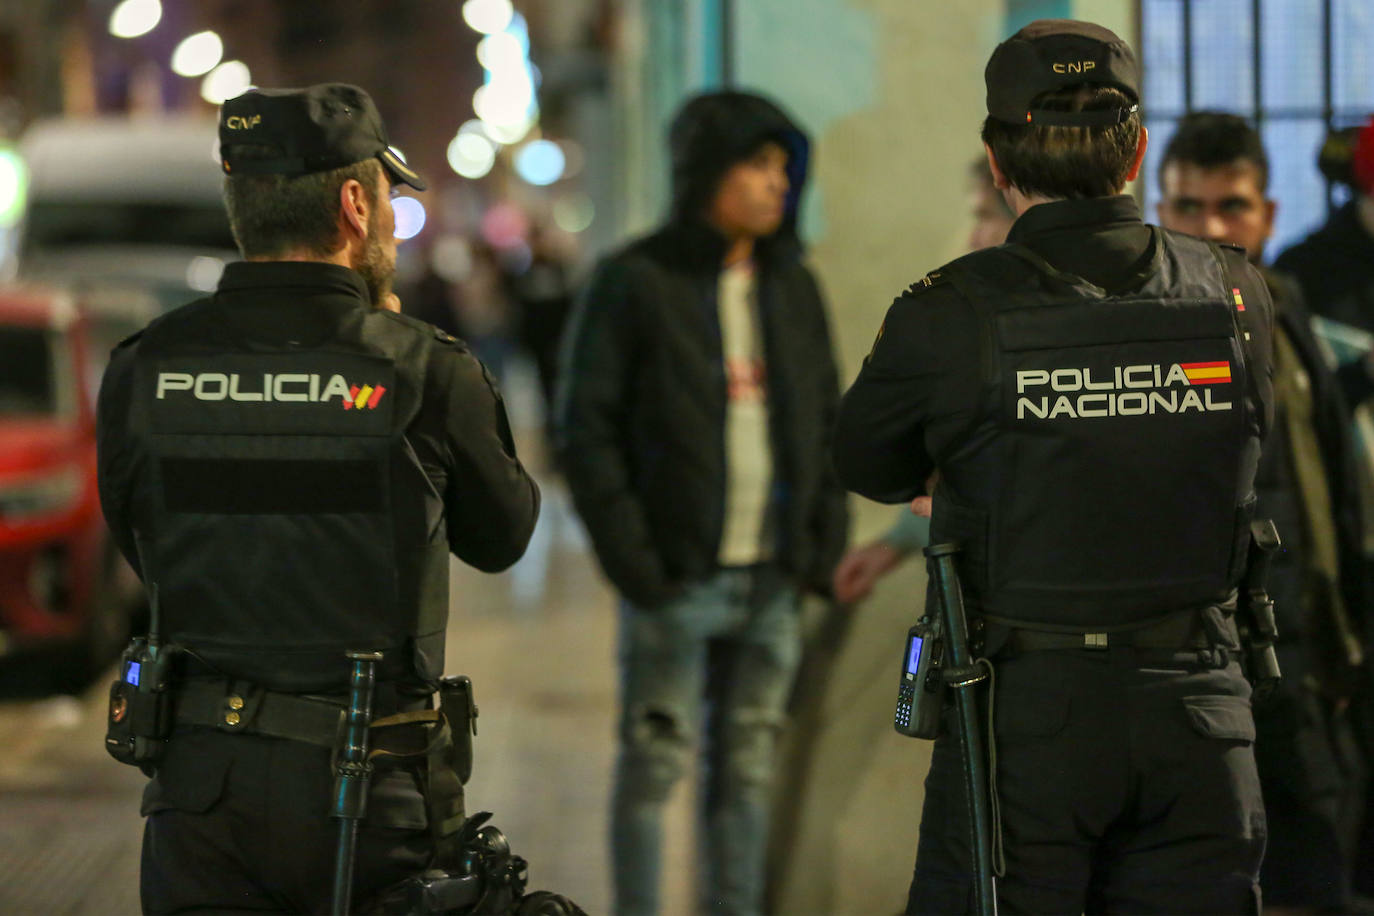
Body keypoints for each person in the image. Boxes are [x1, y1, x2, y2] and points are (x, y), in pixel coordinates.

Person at [834, 20, 1276, 913]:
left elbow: (867, 460)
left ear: (997, 163)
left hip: (1021, 722)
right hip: (1202, 716)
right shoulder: (1235, 291)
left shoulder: (947, 312)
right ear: (1139, 152)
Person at [96, 83, 541, 913]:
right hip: (369, 799)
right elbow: (505, 534)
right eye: (385, 197)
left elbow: (137, 537)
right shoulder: (424, 368)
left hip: (199, 800)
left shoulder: (142, 367)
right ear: (352, 205)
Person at [555, 89, 848, 915]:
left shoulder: (793, 285)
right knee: (653, 770)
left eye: (784, 168)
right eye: (756, 165)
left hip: (772, 582)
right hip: (676, 582)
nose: (775, 184)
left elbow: (827, 420)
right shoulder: (633, 282)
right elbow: (586, 432)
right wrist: (639, 566)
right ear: (704, 171)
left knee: (747, 773)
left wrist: (814, 552)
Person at [1157, 111, 1370, 914]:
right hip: (1186, 660)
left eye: (1232, 207)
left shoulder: (1288, 306)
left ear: (1269, 215)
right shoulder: (1129, 331)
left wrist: (1343, 627)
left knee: (1317, 862)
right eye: (1188, 207)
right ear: (1156, 211)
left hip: (1302, 650)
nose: (1211, 229)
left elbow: (1334, 484)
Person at [832, 158, 1015, 606]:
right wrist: (893, 543)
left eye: (986, 217)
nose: (975, 238)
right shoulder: (974, 325)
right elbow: (950, 470)